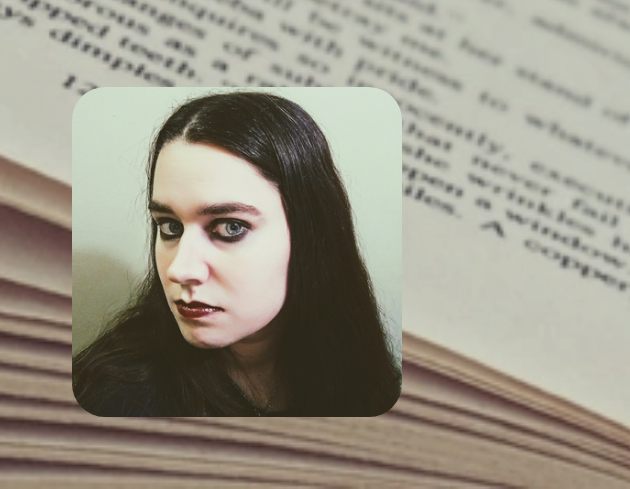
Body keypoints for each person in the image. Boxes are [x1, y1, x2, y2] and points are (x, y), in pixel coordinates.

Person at [74, 92, 401, 416]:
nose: (180, 270)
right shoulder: (113, 399)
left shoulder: (369, 384)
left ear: (310, 234)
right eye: (170, 227)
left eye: (230, 227)